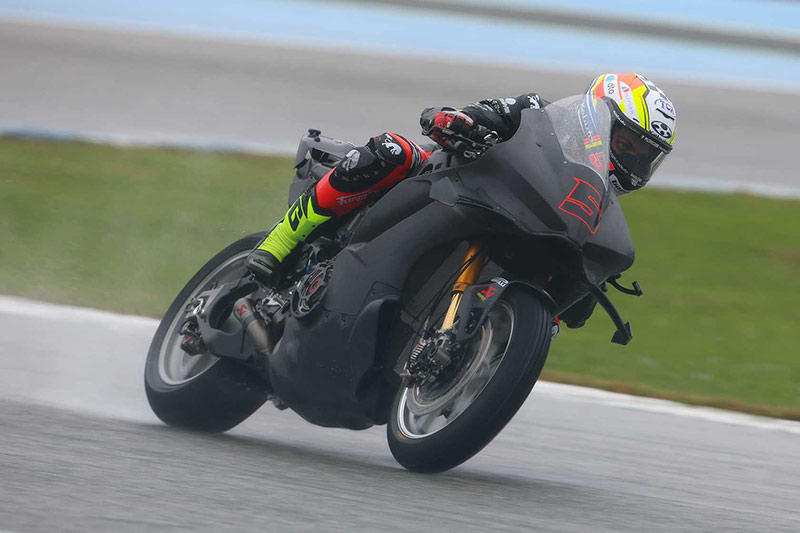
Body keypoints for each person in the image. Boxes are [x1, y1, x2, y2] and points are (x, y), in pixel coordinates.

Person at [245, 72, 677, 326]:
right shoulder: (539, 113)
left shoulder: (595, 203)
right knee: (392, 150)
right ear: (597, 117)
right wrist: (460, 122)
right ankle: (280, 241)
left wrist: (582, 285)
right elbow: (471, 113)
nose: (631, 160)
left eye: (643, 156)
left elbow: (573, 315)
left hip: (518, 222)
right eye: (626, 143)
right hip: (451, 180)